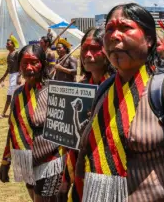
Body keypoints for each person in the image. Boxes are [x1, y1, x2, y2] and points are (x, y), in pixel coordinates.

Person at [75, 3, 164, 201]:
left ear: (148, 39)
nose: (114, 36)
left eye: (125, 28)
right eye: (109, 29)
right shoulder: (104, 90)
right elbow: (86, 150)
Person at [0, 44, 64, 201]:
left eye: (33, 62)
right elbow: (13, 129)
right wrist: (5, 161)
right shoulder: (18, 94)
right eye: (24, 63)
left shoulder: (54, 92)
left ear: (42, 63)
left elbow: (68, 131)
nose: (28, 68)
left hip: (51, 160)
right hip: (26, 160)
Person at [58, 27, 113, 202]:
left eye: (95, 49)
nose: (88, 55)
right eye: (84, 50)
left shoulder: (119, 88)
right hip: (82, 175)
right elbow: (71, 139)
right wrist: (66, 179)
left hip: (111, 175)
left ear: (107, 51)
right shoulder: (80, 89)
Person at [0, 37, 21, 119]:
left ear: (13, 45)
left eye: (8, 44)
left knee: (10, 95)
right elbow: (8, 67)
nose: (6, 45)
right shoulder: (9, 54)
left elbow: (21, 65)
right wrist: (3, 77)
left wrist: (19, 77)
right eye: (6, 44)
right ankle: (16, 113)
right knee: (14, 95)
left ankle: (3, 113)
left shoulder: (16, 53)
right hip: (11, 76)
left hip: (15, 75)